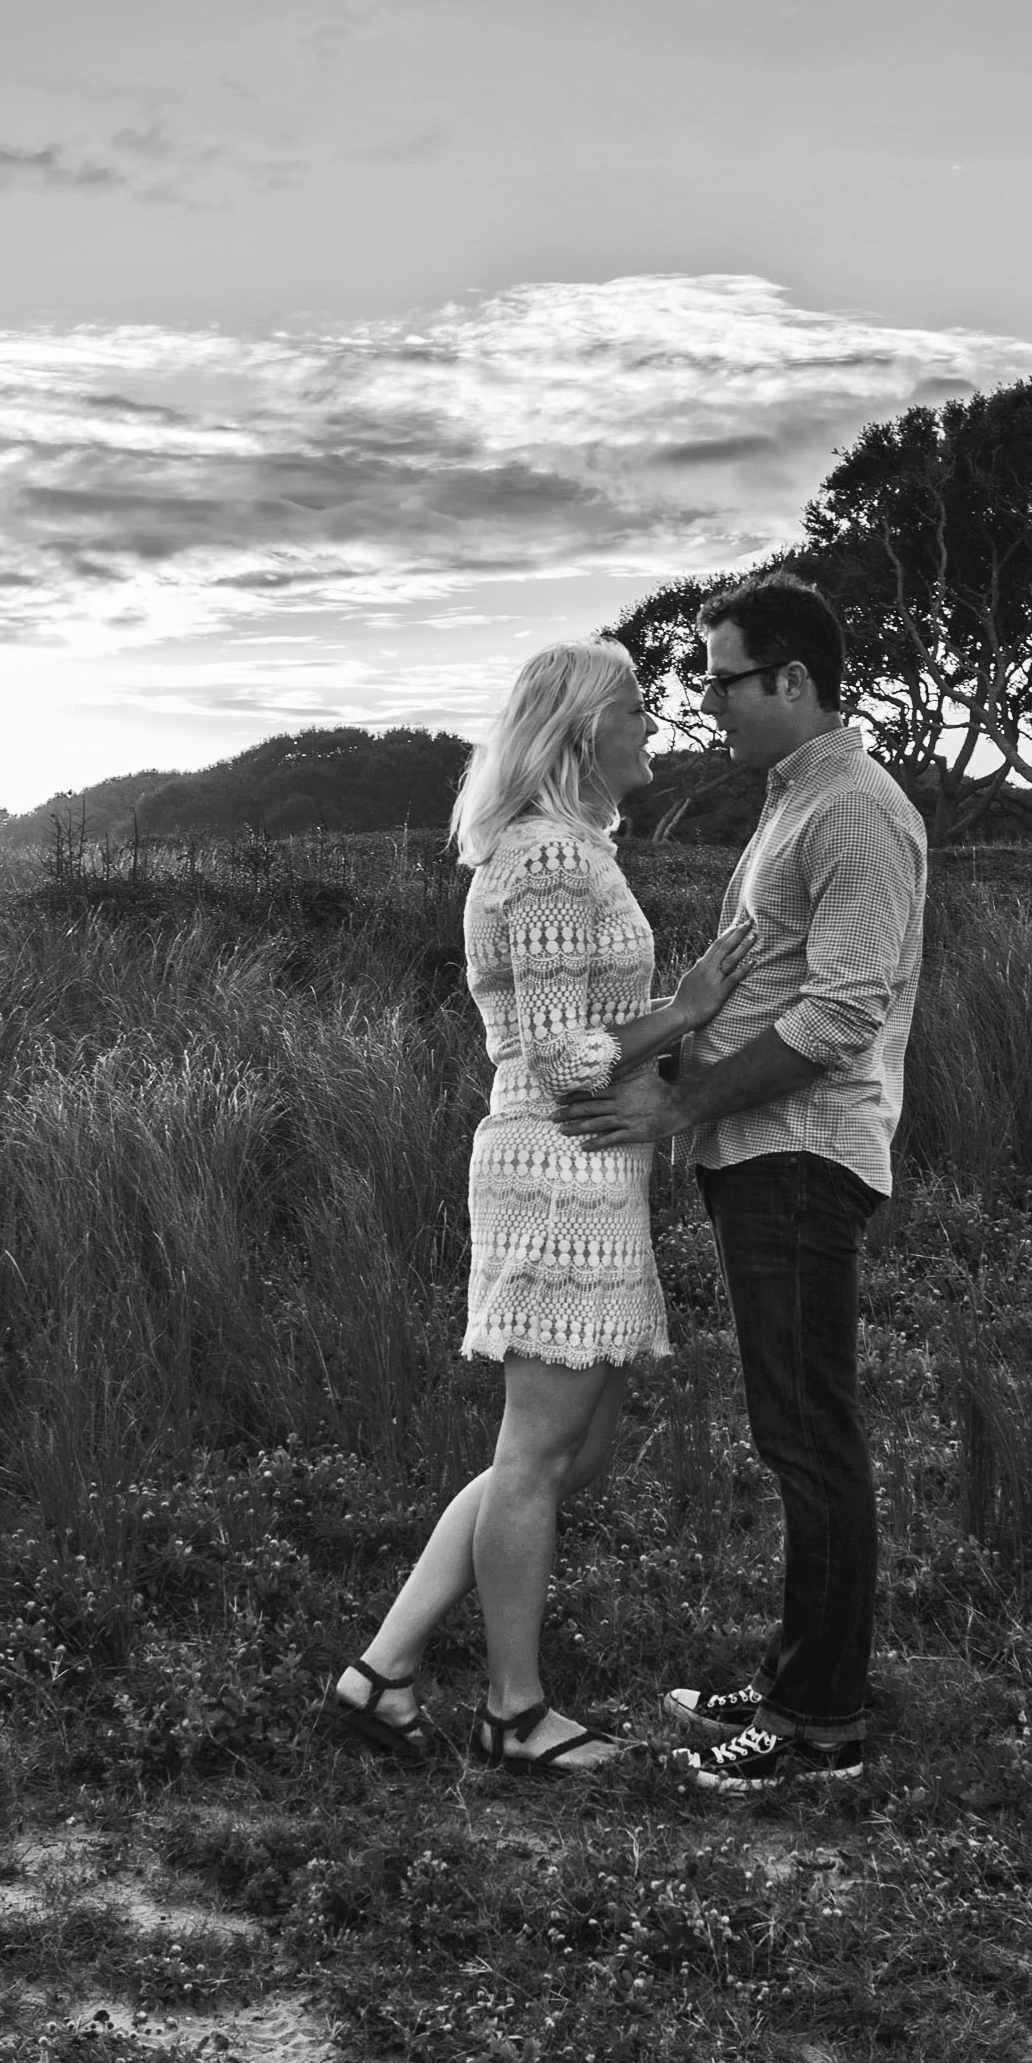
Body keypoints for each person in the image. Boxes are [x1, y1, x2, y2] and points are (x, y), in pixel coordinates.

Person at [325, 638, 756, 1776]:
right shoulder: (550, 860)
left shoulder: (555, 852)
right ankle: (513, 1712)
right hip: (555, 1161)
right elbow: (565, 1058)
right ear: (580, 734)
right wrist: (685, 1009)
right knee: (536, 1454)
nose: (653, 731)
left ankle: (384, 1670)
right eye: (635, 715)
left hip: (583, 1164)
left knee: (575, 1448)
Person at [562, 577, 926, 1794]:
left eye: (722, 679)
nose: (704, 701)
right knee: (794, 1430)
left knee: (809, 1435)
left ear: (794, 682)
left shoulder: (855, 812)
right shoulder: (794, 802)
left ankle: (820, 1726)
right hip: (761, 1154)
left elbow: (840, 1015)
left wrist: (683, 1103)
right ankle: (793, 1678)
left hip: (802, 1155)